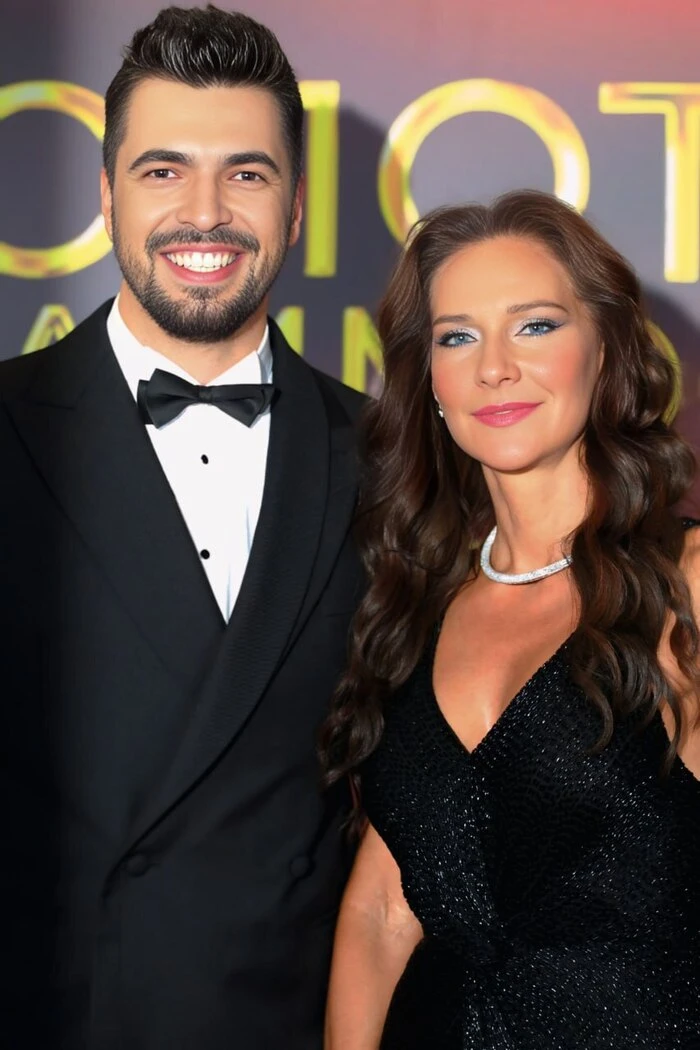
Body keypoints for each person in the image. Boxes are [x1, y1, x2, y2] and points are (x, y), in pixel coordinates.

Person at [0, 6, 364, 1048]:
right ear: (106, 195)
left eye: (246, 173)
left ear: (297, 205)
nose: (205, 214)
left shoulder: (390, 458)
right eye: (163, 171)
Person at [320, 190, 700, 1049]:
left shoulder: (683, 586)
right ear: (430, 381)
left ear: (606, 349)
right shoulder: (415, 604)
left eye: (535, 326)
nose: (494, 367)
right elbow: (382, 911)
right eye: (457, 337)